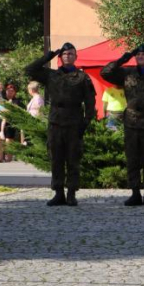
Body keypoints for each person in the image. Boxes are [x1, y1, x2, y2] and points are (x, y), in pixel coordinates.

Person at [25, 43, 96, 206]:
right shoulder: (51, 75)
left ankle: (71, 193)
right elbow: (29, 70)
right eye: (64, 54)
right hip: (56, 121)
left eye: (71, 54)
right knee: (56, 158)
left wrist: (86, 122)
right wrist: (48, 55)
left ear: (76, 57)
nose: (68, 56)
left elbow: (90, 102)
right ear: (60, 57)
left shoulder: (82, 77)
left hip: (74, 120)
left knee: (73, 158)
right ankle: (58, 193)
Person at [101, 44, 144, 206]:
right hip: (131, 121)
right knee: (132, 159)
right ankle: (134, 192)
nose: (140, 57)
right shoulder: (127, 73)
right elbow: (105, 72)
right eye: (138, 54)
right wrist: (124, 58)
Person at [0, 83, 23, 162]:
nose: (10, 92)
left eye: (12, 91)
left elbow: (16, 110)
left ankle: (8, 158)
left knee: (9, 141)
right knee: (0, 140)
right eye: (8, 91)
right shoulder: (2, 99)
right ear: (6, 91)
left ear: (14, 92)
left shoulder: (17, 101)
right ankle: (1, 158)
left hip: (10, 123)